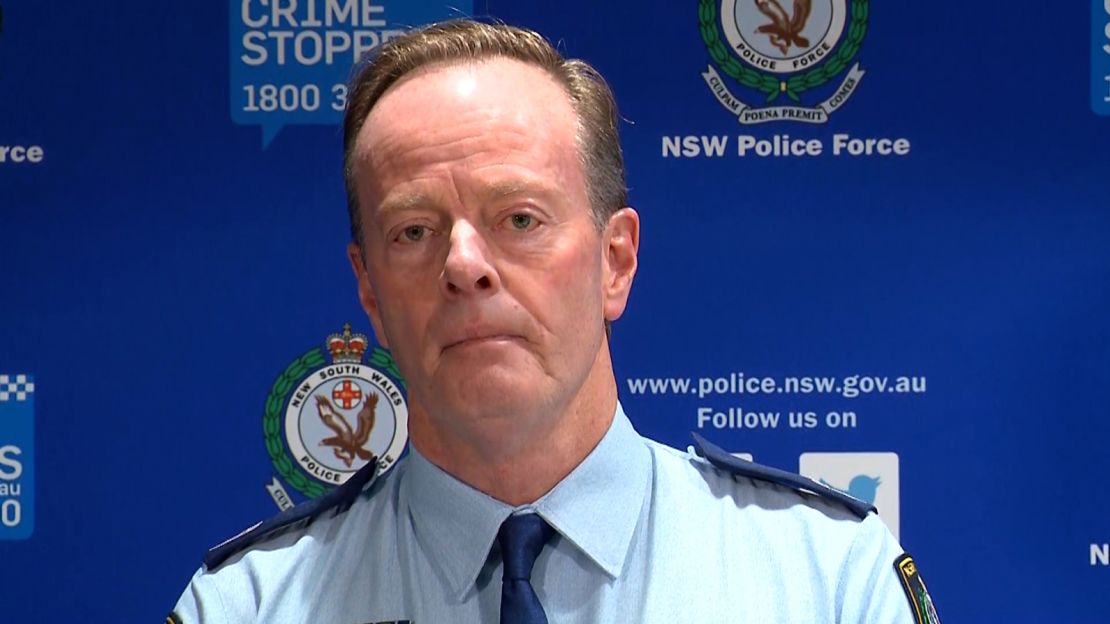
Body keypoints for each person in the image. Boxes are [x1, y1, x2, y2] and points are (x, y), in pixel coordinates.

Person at [169, 19, 938, 624]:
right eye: (412, 231)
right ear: (368, 288)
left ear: (616, 261)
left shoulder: (824, 579)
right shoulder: (246, 609)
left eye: (519, 218)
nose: (464, 264)